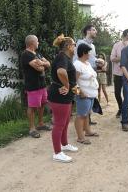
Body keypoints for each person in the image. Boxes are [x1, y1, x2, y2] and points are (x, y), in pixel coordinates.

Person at [48, 34, 79, 162]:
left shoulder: (66, 57)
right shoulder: (62, 57)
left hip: (66, 95)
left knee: (65, 122)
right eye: (74, 45)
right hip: (59, 95)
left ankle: (64, 144)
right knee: (59, 124)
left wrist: (72, 88)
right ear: (68, 46)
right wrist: (66, 85)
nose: (75, 47)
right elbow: (61, 72)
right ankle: (57, 152)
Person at [20, 35, 51, 138]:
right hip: (32, 86)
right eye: (37, 41)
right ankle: (32, 128)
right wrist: (43, 64)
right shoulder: (26, 55)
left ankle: (41, 124)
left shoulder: (37, 54)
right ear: (32, 42)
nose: (38, 43)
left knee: (42, 104)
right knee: (32, 107)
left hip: (42, 85)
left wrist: (42, 63)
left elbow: (48, 64)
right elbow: (40, 69)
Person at [74, 43, 99, 145]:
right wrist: (80, 93)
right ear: (84, 53)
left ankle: (87, 131)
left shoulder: (87, 64)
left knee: (87, 114)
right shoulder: (77, 65)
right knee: (81, 116)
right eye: (88, 52)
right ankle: (80, 137)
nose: (90, 54)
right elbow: (73, 82)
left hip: (91, 94)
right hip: (84, 95)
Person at [74, 24, 98, 125]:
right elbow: (74, 81)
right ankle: (81, 134)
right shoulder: (80, 43)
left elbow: (92, 61)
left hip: (89, 79)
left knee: (87, 111)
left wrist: (99, 63)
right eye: (94, 29)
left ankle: (87, 126)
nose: (96, 31)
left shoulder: (92, 46)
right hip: (82, 80)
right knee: (81, 113)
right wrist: (79, 92)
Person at [110, 29, 128, 118]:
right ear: (124, 36)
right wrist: (123, 56)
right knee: (117, 93)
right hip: (118, 73)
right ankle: (120, 108)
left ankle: (124, 108)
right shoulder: (117, 45)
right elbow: (112, 58)